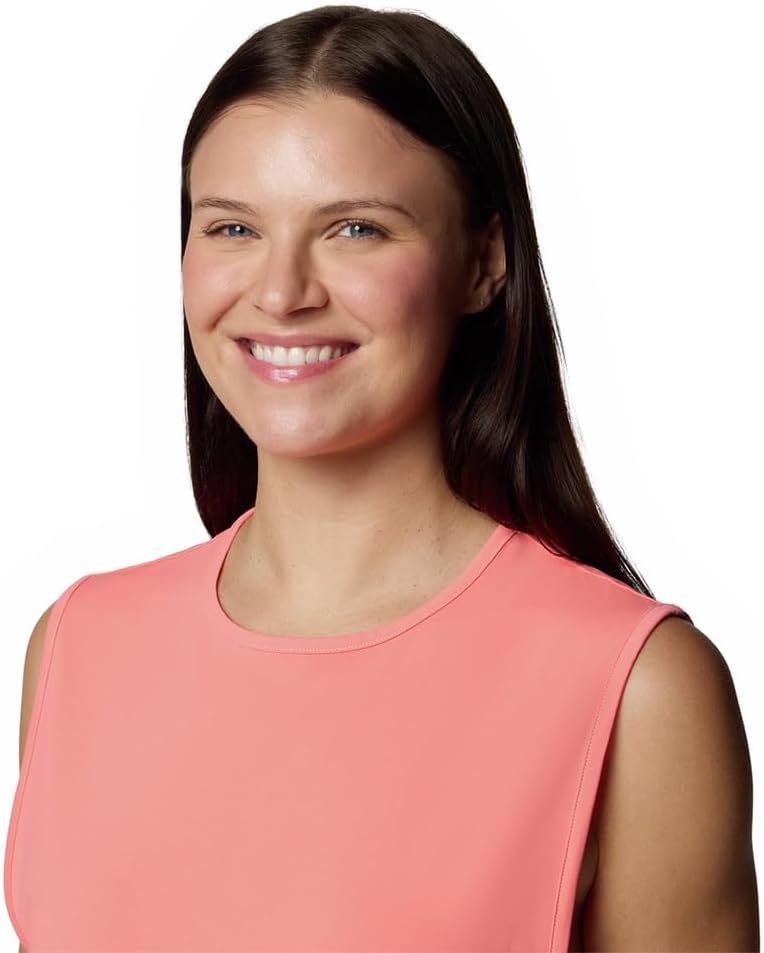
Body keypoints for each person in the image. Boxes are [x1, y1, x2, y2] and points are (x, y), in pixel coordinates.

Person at [5, 5, 758, 952]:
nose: (281, 292)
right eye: (233, 227)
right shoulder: (77, 645)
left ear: (484, 263)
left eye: (356, 228)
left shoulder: (638, 689)